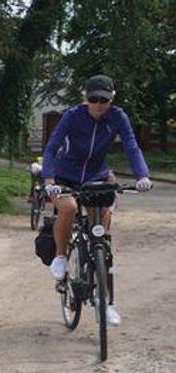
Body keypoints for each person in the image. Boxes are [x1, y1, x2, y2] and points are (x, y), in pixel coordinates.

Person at [43, 74, 152, 326]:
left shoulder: (118, 118)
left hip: (96, 176)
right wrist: (49, 180)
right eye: (94, 99)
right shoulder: (72, 116)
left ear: (112, 98)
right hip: (65, 175)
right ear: (85, 97)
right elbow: (51, 147)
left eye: (104, 100)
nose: (99, 105)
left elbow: (132, 146)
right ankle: (60, 256)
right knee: (68, 209)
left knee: (101, 228)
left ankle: (104, 300)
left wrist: (142, 176)